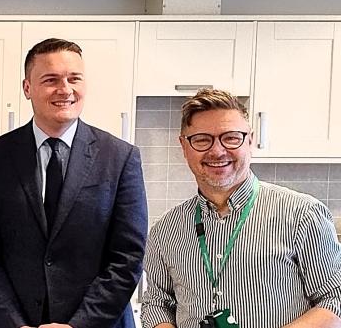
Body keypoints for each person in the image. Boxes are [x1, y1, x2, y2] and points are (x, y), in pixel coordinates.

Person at [0, 38, 148, 328]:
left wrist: (79, 324)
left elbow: (128, 256)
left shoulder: (120, 158)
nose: (65, 89)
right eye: (51, 80)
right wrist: (15, 323)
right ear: (27, 88)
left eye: (74, 78)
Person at [141, 88, 341, 327]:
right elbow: (156, 303)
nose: (217, 151)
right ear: (184, 147)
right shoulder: (165, 230)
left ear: (251, 140)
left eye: (231, 137)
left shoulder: (302, 215)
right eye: (202, 139)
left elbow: (334, 300)